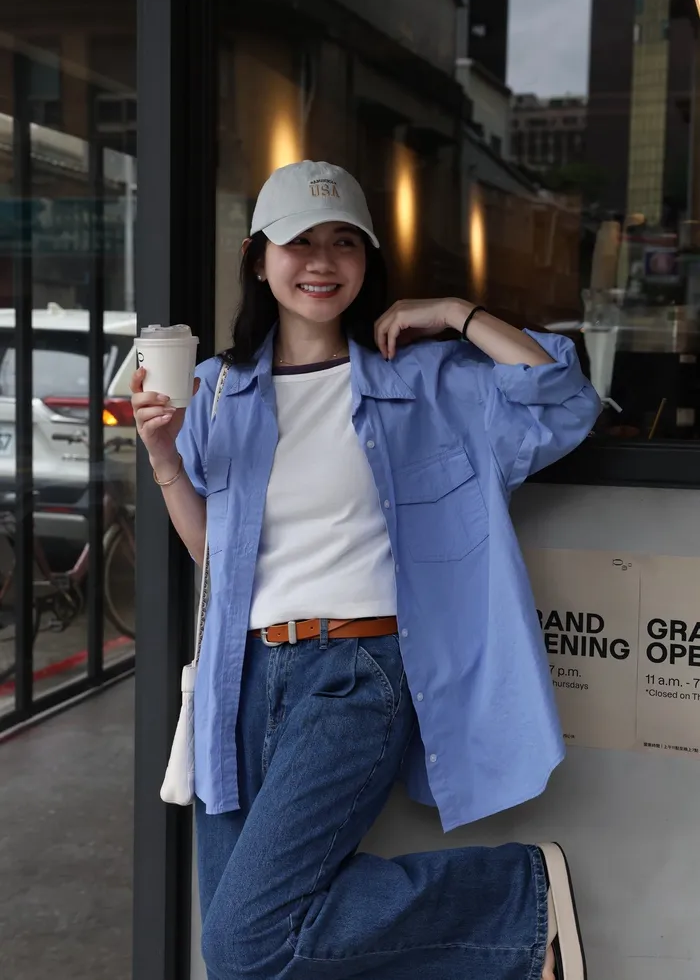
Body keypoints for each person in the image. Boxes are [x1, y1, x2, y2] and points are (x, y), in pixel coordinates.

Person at [132, 161, 600, 980]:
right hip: (238, 680)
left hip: (354, 674)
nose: (322, 261)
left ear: (367, 260)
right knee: (245, 959)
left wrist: (453, 312)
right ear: (257, 258)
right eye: (300, 242)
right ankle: (518, 920)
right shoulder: (216, 389)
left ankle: (517, 900)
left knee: (242, 940)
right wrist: (165, 458)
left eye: (343, 242)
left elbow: (561, 401)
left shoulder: (425, 382)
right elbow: (217, 559)